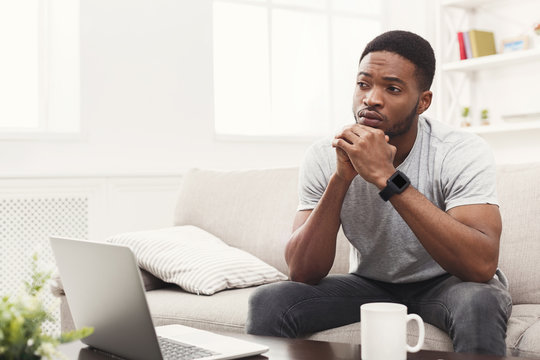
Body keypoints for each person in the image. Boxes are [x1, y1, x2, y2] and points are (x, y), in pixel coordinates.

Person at [246, 30, 512, 356]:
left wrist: (388, 178)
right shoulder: (323, 154)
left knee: (479, 300)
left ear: (423, 102)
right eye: (363, 84)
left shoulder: (460, 151)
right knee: (270, 301)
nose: (371, 98)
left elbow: (480, 265)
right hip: (369, 285)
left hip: (447, 283)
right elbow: (302, 272)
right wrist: (342, 178)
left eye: (392, 88)